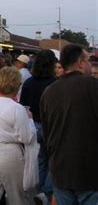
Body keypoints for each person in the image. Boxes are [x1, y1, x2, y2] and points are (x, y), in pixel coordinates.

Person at [40, 44, 98, 205]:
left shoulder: (49, 92)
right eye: (87, 60)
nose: (88, 64)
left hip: (60, 171)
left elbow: (47, 133)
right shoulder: (93, 86)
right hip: (89, 173)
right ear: (80, 63)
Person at [0, 67, 36, 205]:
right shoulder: (16, 108)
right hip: (9, 154)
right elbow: (26, 137)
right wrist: (30, 120)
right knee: (17, 197)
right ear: (16, 84)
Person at [19, 50, 57, 204]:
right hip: (50, 126)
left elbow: (23, 106)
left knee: (40, 160)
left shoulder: (29, 82)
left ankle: (40, 191)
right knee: (53, 161)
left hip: (33, 126)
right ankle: (46, 192)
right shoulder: (55, 83)